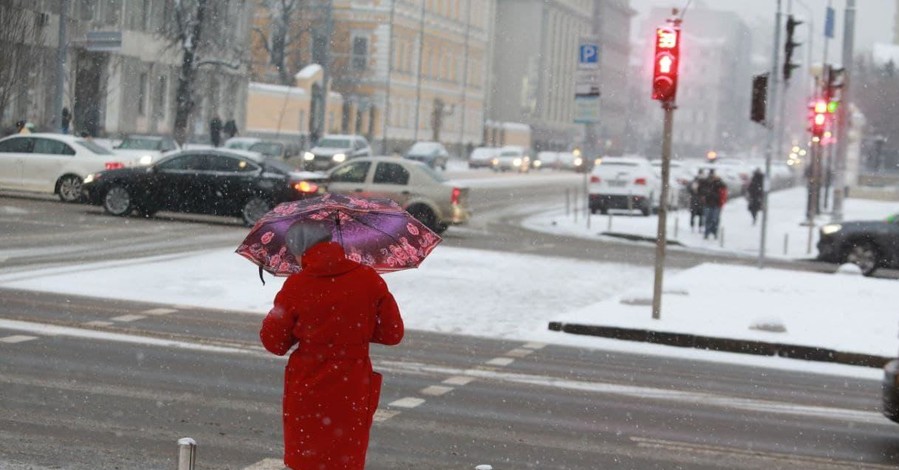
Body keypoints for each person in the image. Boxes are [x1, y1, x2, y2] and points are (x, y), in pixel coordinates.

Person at [260, 221, 404, 470]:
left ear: (300, 249)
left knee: (306, 459)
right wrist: (353, 329)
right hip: (354, 385)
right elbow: (392, 333)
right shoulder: (368, 279)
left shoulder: (297, 285)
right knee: (345, 459)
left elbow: (274, 342)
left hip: (308, 385)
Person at [701, 169, 727, 240]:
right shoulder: (706, 182)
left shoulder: (719, 183)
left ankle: (713, 232)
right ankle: (707, 232)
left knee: (714, 219)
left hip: (716, 204)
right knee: (708, 219)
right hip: (709, 203)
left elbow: (723, 191)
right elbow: (702, 190)